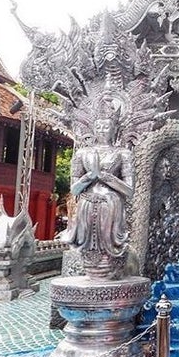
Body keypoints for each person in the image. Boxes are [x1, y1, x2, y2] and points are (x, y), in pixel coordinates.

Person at [61, 104, 134, 279]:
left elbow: (130, 191)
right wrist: (89, 177)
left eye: (106, 126)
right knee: (87, 245)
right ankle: (92, 274)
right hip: (86, 203)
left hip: (110, 204)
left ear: (115, 128)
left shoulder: (123, 154)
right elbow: (74, 188)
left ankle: (108, 273)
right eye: (99, 126)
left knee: (110, 245)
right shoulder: (82, 153)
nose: (102, 130)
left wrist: (103, 176)